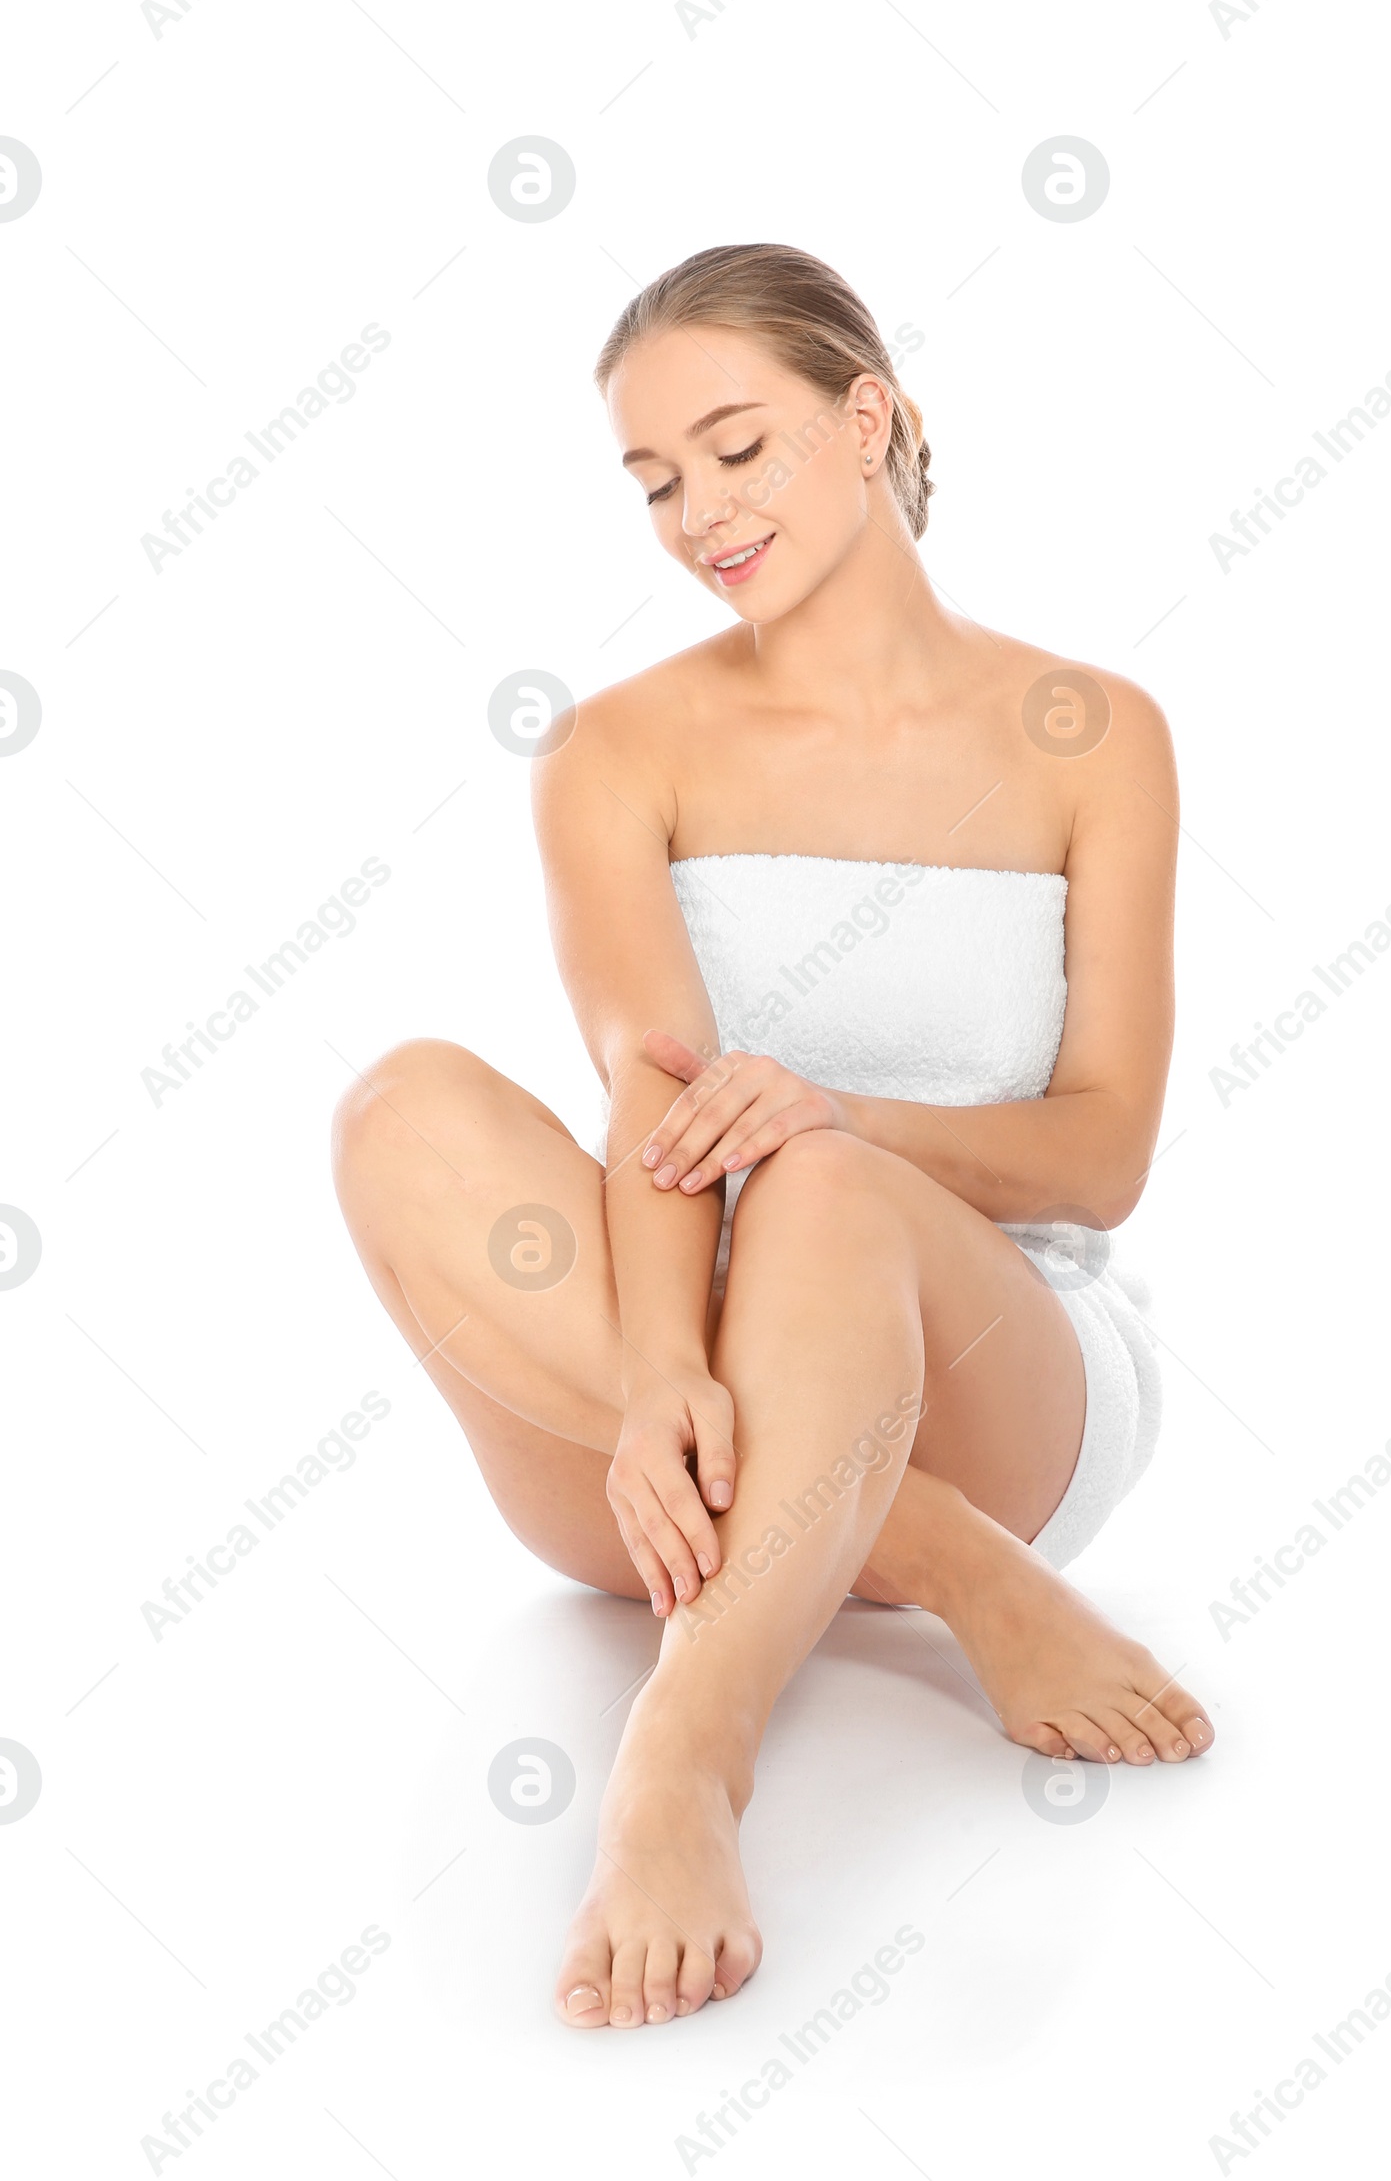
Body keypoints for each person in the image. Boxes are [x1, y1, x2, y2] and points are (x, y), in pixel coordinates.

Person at [332, 242, 1213, 2034]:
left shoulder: (1094, 737)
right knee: (398, 1106)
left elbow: (1104, 1154)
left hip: (995, 1362)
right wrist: (664, 1363)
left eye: (738, 449)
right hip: (670, 1430)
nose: (697, 515)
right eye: (655, 480)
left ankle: (684, 1753)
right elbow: (650, 1095)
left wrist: (845, 1119)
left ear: (866, 416)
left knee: (814, 1174)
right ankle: (950, 1561)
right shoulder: (615, 749)